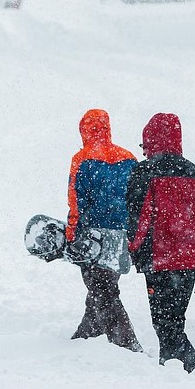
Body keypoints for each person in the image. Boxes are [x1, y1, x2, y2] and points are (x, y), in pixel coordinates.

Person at [126, 113, 195, 373]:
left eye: (145, 146)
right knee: (175, 320)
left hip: (159, 259)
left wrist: (133, 250)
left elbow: (138, 219)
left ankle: (189, 370)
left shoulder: (144, 172)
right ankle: (174, 371)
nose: (143, 152)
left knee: (164, 324)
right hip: (190, 260)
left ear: (151, 140)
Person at [66, 109, 142, 352]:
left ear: (84, 130)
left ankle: (126, 343)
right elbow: (137, 198)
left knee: (103, 289)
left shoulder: (82, 158)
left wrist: (71, 232)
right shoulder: (129, 157)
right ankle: (88, 332)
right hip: (122, 234)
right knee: (103, 284)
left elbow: (76, 201)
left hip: (94, 235)